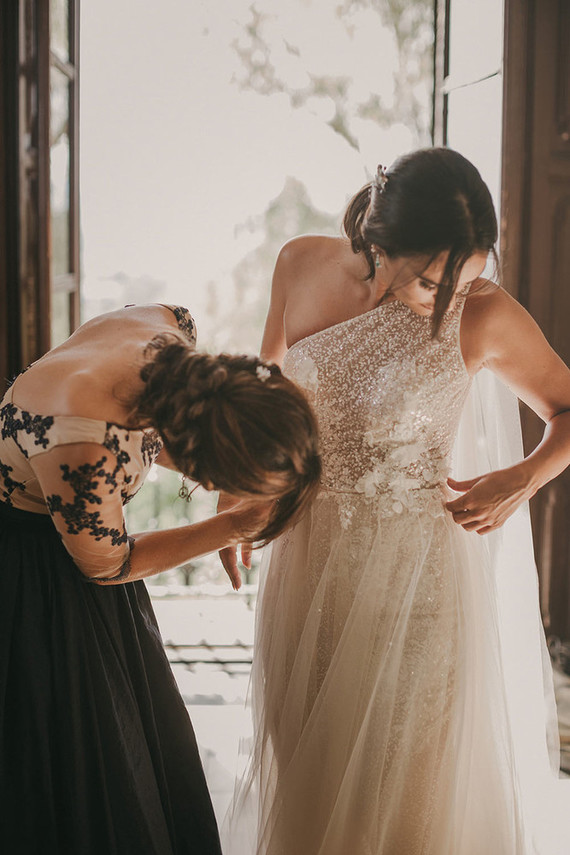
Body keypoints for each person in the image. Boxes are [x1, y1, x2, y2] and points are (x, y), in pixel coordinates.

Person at [222, 148, 570, 854]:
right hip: (308, 564)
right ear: (380, 243)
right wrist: (237, 493)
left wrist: (525, 476)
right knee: (311, 771)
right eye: (432, 280)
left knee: (401, 791)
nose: (447, 300)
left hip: (417, 585)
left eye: (464, 280)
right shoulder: (299, 263)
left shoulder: (483, 311)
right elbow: (269, 400)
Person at [0, 303, 321, 855]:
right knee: (87, 772)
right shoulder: (80, 441)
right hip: (39, 581)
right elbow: (106, 565)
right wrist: (231, 526)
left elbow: (151, 436)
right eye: (217, 478)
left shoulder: (170, 325)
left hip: (74, 539)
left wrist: (238, 478)